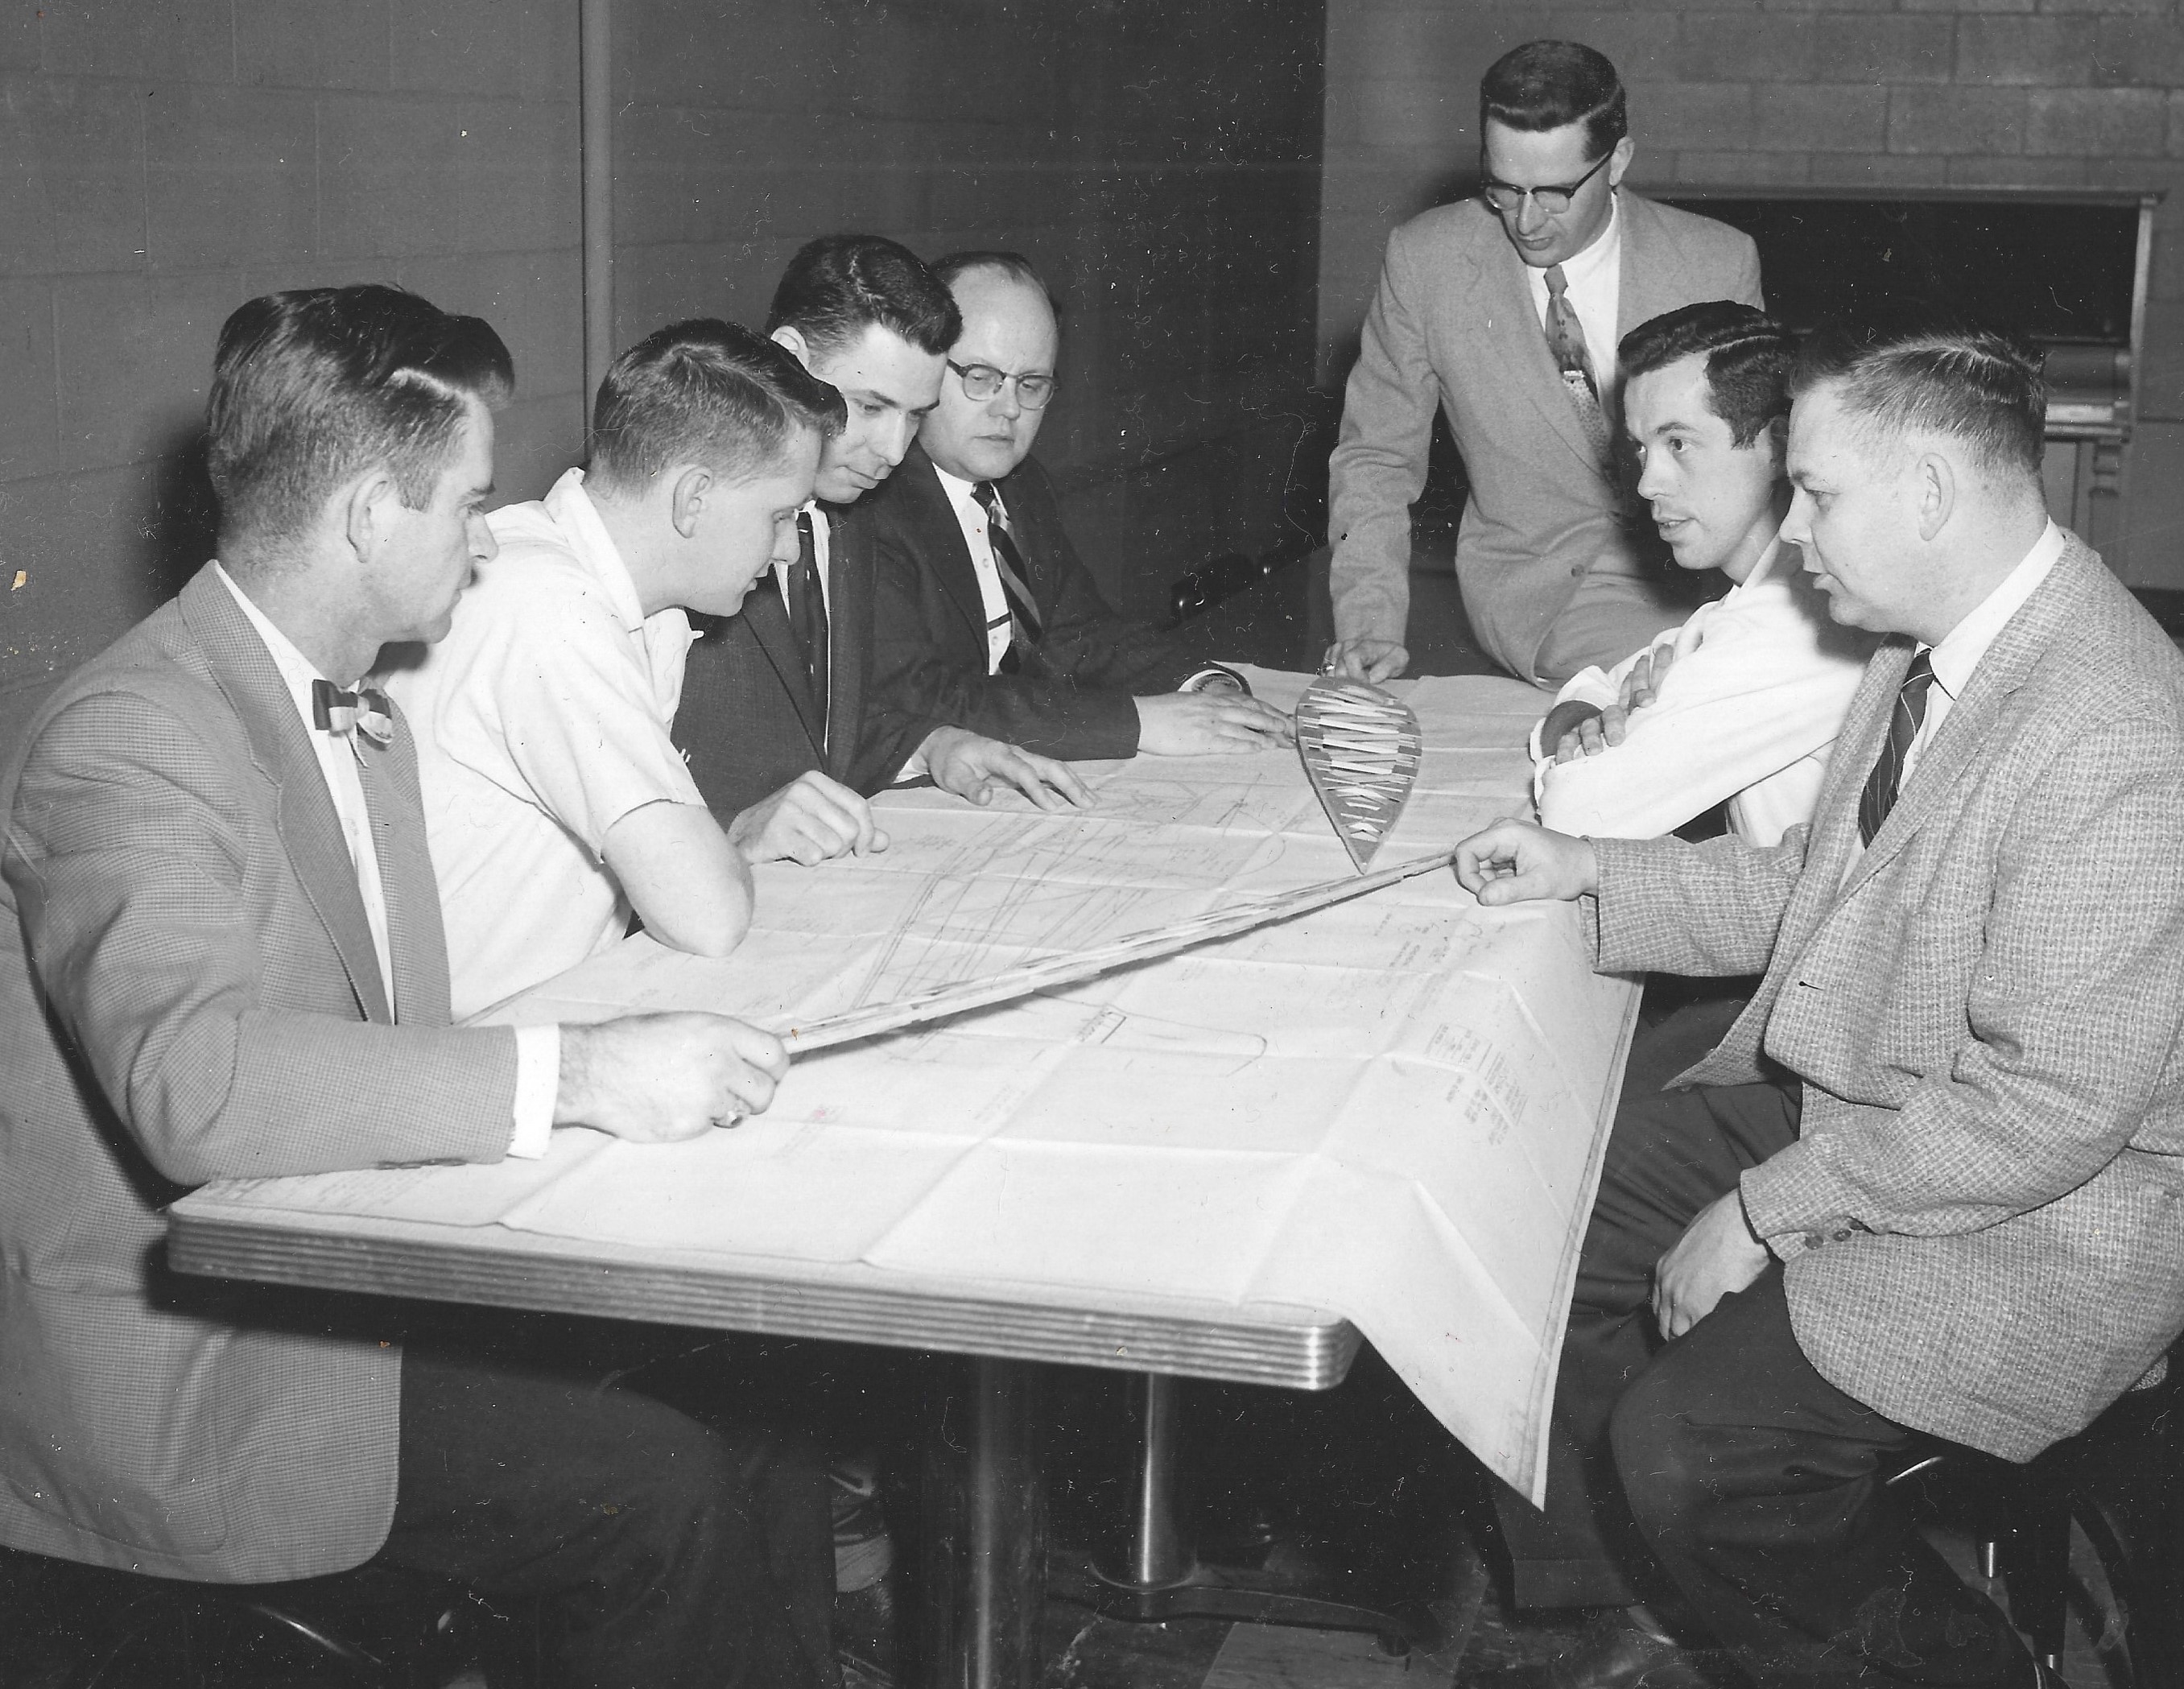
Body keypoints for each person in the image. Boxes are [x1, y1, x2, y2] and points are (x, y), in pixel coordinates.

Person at [0, 285, 839, 1688]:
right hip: (184, 1365)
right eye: (464, 503)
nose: (484, 538)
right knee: (660, 1490)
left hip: (332, 1265)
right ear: (365, 521)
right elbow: (194, 1086)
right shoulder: (131, 732)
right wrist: (582, 1072)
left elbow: (387, 1055)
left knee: (763, 1391)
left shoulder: (357, 707)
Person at [1454, 324, 2184, 1689]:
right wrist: (1585, 869)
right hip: (1895, 1115)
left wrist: (1763, 1207)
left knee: (1699, 1451)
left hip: (2051, 1222)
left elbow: (2050, 1112)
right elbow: (1811, 884)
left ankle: (1956, 1668)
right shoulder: (1926, 650)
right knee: (1549, 1192)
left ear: (1926, 495)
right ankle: (1628, 1597)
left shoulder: (2113, 729)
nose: (1791, 533)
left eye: (1818, 494)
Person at [382, 319, 833, 1017]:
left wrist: (729, 839)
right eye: (780, 516)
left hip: (548, 1014)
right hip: (458, 1057)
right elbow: (706, 916)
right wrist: (720, 852)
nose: (788, 553)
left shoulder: (642, 606)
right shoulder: (544, 601)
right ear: (693, 499)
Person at [1324, 40, 1762, 688]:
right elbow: (1376, 459)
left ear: (1616, 162)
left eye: (1554, 192)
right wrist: (1368, 623)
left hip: (1701, 577)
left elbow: (1753, 464)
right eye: (1502, 187)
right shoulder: (1427, 262)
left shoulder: (1715, 260)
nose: (1526, 221)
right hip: (1547, 588)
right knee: (1700, 683)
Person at [675, 235, 1083, 831]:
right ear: (789, 356)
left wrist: (931, 747)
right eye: (869, 408)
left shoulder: (845, 514)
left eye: (914, 415)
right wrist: (734, 829)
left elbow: (822, 731)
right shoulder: (686, 517)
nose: (893, 451)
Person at [863, 250, 1292, 761]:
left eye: (1032, 384)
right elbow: (924, 697)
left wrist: (1201, 686)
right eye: (980, 376)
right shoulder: (871, 505)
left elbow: (1081, 635)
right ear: (925, 364)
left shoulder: (1021, 485)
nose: (1009, 409)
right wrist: (1135, 724)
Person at [1530, 301, 1874, 847]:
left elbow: (1575, 811)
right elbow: (1591, 685)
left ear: (1780, 446)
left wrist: (1604, 724)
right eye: (1641, 448)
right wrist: (1589, 718)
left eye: (1678, 444)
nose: (1646, 484)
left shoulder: (1797, 624)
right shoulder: (1754, 597)